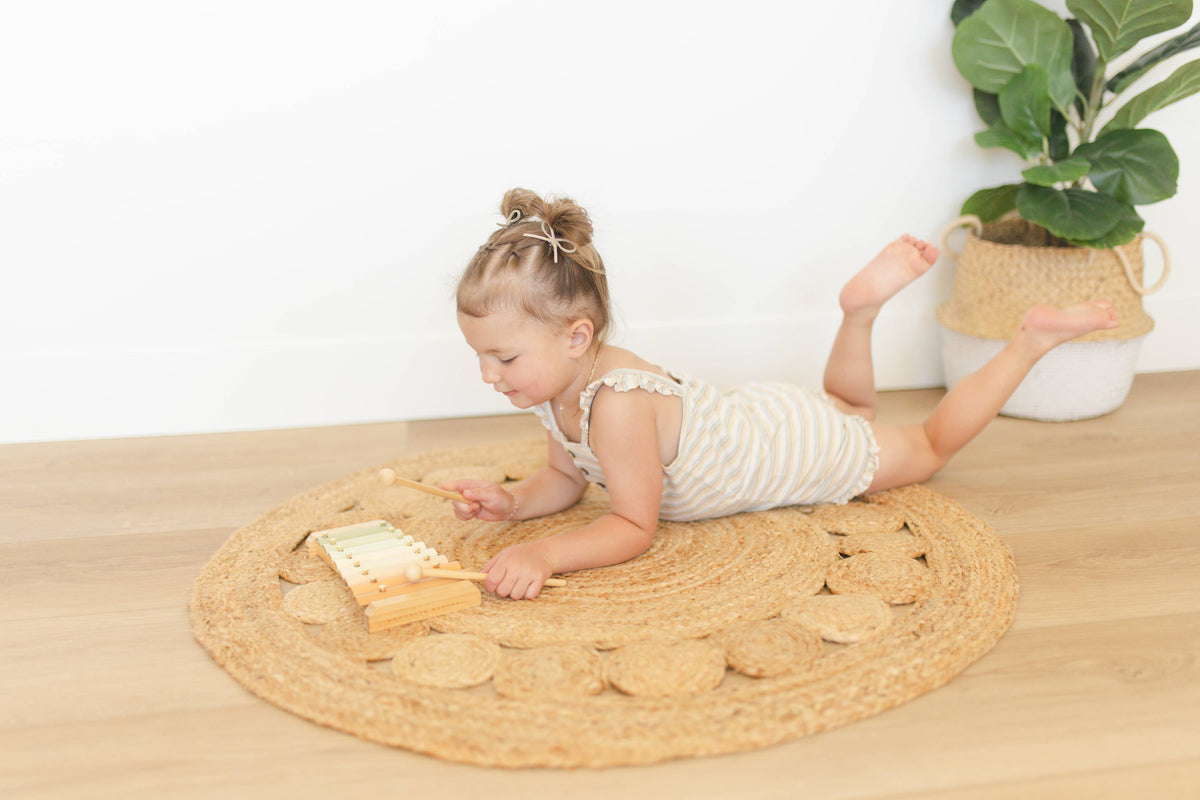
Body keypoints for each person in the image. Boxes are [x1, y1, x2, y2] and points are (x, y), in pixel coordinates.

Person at [445, 188, 1119, 599]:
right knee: (851, 410)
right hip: (756, 421)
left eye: (502, 357)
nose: (489, 375)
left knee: (927, 445)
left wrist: (546, 553)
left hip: (785, 449)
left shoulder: (616, 403)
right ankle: (858, 314)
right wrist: (515, 503)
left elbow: (631, 526)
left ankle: (1030, 340)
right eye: (481, 356)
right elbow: (566, 478)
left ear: (576, 335)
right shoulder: (553, 385)